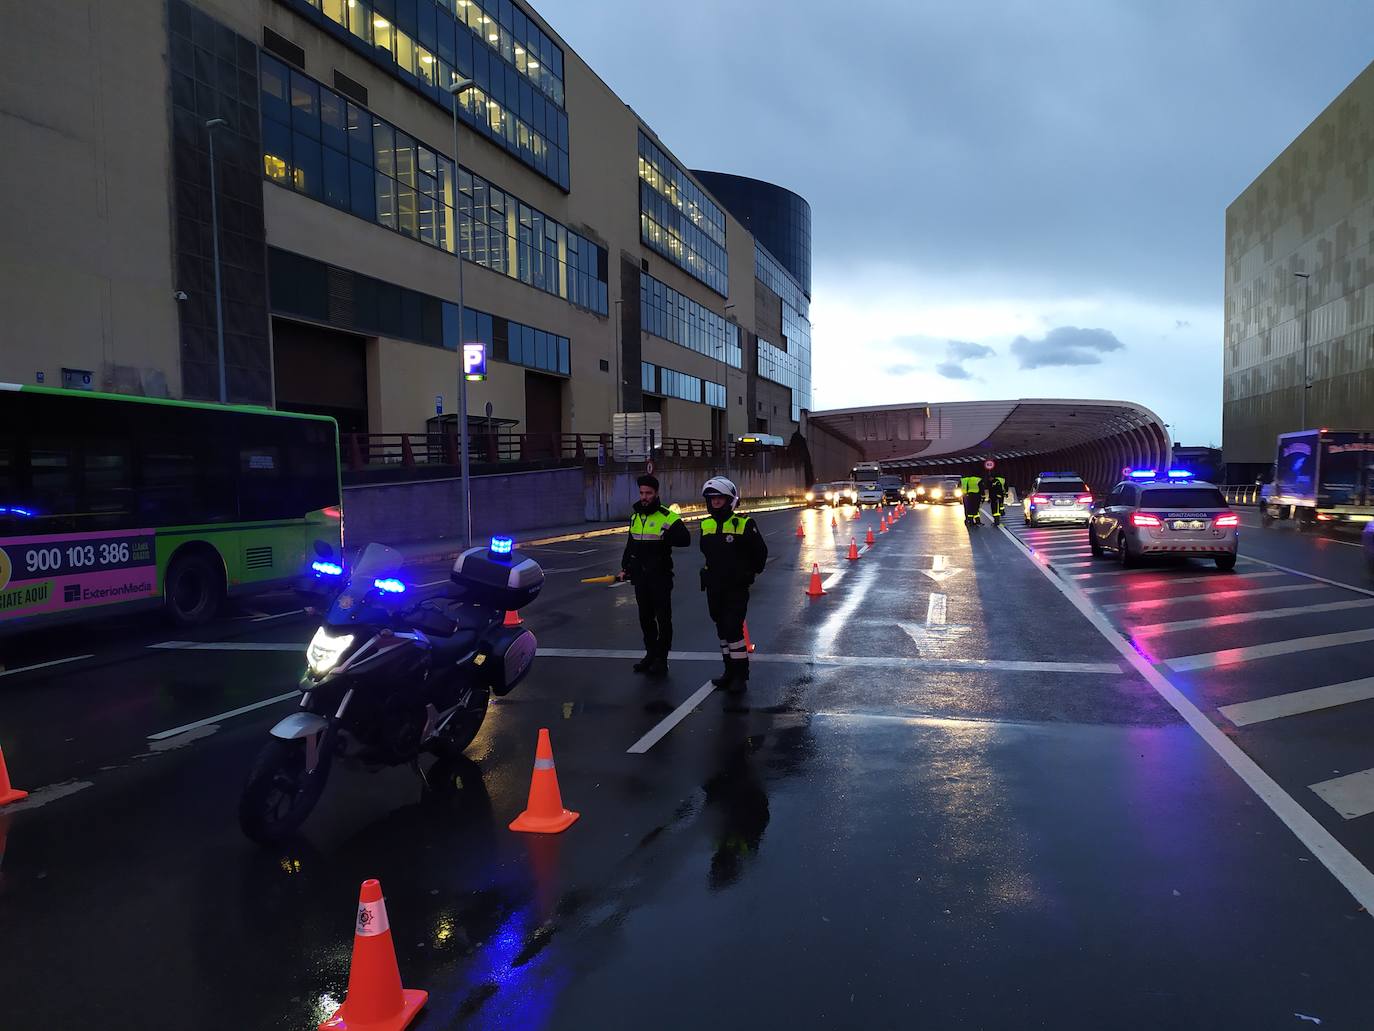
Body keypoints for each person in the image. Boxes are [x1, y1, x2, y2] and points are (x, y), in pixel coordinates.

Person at [698, 476, 768, 692]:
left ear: (730, 500)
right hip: (714, 586)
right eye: (712, 499)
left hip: (735, 587)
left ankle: (740, 675)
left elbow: (760, 554)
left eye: (720, 498)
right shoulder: (706, 524)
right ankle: (728, 671)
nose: (715, 502)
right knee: (721, 630)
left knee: (733, 629)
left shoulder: (744, 523)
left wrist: (747, 573)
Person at [620, 474, 689, 675]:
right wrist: (625, 567)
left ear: (656, 493)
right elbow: (630, 545)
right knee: (645, 618)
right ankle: (650, 654)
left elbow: (685, 539)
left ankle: (661, 658)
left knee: (663, 619)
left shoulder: (667, 516)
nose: (644, 497)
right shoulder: (635, 517)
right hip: (641, 578)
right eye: (642, 493)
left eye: (648, 493)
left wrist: (668, 535)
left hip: (660, 576)